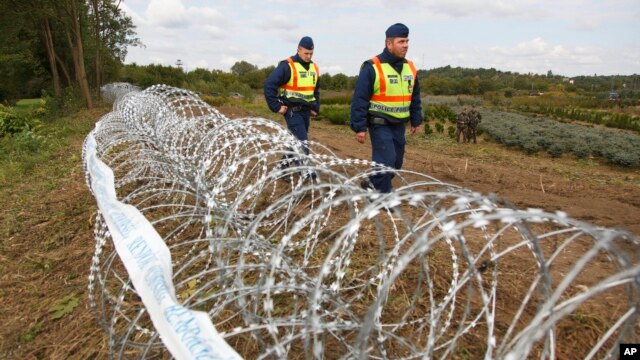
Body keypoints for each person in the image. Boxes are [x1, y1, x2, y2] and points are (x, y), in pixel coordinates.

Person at [350, 23, 422, 198]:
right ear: (389, 44)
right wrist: (359, 126)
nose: (405, 45)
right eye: (401, 41)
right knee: (385, 160)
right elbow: (360, 98)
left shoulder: (410, 68)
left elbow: (415, 96)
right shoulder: (372, 67)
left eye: (407, 41)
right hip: (379, 124)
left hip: (399, 125)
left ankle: (372, 184)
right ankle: (383, 197)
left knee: (396, 163)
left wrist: (416, 119)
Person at [264, 36, 320, 179]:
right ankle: (304, 170)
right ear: (298, 50)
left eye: (311, 53)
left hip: (306, 112)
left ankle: (281, 168)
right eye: (306, 53)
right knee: (302, 142)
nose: (308, 56)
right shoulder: (287, 65)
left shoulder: (314, 67)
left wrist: (315, 106)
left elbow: (315, 90)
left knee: (295, 141)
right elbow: (269, 85)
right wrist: (276, 106)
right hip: (292, 112)